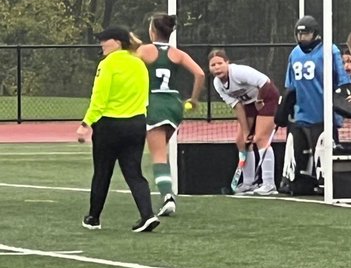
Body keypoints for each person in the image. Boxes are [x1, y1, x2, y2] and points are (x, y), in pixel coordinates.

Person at [78, 25, 160, 233]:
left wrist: (86, 123)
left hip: (109, 125)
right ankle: (147, 215)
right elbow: (144, 95)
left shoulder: (108, 64)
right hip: (136, 123)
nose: (101, 44)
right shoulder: (139, 64)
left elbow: (99, 97)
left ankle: (93, 217)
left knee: (102, 172)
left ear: (117, 42)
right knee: (134, 172)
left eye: (105, 40)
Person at [137, 14, 204, 218]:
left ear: (153, 31)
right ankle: (167, 194)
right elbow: (200, 74)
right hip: (174, 105)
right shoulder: (177, 53)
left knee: (158, 155)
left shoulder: (144, 51)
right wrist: (193, 99)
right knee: (162, 151)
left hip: (155, 102)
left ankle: (168, 197)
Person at [277, 16, 348, 196]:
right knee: (300, 155)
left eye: (306, 33)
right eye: (299, 34)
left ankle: (327, 182)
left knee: (323, 154)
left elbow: (342, 82)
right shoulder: (294, 54)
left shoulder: (330, 51)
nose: (302, 38)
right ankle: (298, 182)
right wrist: (284, 109)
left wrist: (339, 110)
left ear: (315, 34)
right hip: (301, 114)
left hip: (323, 114)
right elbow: (290, 86)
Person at [208, 50, 281, 195]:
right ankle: (249, 183)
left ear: (227, 63)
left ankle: (269, 184)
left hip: (267, 97)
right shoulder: (218, 84)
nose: (217, 67)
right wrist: (246, 130)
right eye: (213, 65)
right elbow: (238, 107)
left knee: (260, 138)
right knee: (242, 141)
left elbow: (265, 83)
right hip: (249, 104)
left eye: (220, 63)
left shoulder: (239, 72)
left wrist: (260, 100)